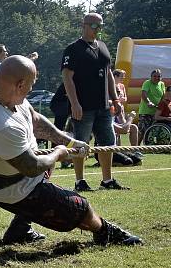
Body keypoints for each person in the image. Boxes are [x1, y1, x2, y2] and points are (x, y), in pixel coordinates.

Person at [0, 55, 142, 247]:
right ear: (19, 85)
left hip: (12, 178)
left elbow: (34, 119)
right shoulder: (0, 124)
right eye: (31, 84)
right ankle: (105, 232)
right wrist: (59, 153)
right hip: (9, 189)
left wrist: (68, 141)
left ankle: (20, 230)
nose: (32, 88)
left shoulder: (0, 91)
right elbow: (32, 167)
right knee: (79, 206)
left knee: (47, 168)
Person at [61, 13, 126, 191]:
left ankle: (107, 180)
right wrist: (74, 103)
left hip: (104, 107)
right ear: (84, 25)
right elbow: (67, 77)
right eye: (94, 26)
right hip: (83, 107)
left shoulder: (103, 47)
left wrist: (115, 99)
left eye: (101, 26)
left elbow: (109, 75)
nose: (98, 29)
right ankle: (79, 181)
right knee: (81, 143)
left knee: (108, 141)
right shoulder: (73, 49)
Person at [111, 69, 142, 165]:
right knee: (128, 162)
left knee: (133, 128)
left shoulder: (121, 87)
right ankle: (114, 153)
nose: (123, 78)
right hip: (112, 117)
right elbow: (123, 129)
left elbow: (124, 125)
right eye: (121, 76)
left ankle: (134, 151)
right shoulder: (108, 106)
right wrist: (131, 117)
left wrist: (125, 119)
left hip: (118, 112)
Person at [138, 69, 166, 144]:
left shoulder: (162, 84)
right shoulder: (147, 83)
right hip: (145, 112)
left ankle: (148, 147)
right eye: (155, 76)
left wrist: (161, 107)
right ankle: (135, 148)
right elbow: (144, 94)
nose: (157, 78)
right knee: (142, 131)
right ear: (151, 76)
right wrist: (148, 102)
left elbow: (163, 97)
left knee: (152, 131)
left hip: (156, 112)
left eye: (159, 76)